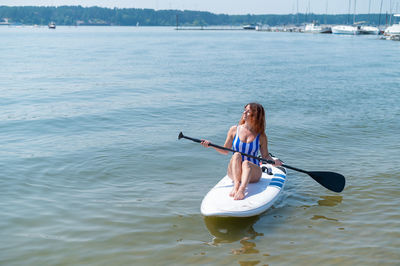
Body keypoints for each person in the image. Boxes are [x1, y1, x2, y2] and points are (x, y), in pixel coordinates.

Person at [201, 103, 282, 200]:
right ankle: (236, 186)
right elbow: (225, 150)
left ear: (256, 115)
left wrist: (274, 162)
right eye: (245, 110)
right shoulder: (234, 130)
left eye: (248, 111)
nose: (244, 112)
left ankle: (242, 190)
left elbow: (265, 156)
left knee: (246, 163)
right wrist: (210, 145)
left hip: (253, 173)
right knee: (236, 155)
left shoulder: (261, 136)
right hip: (235, 173)